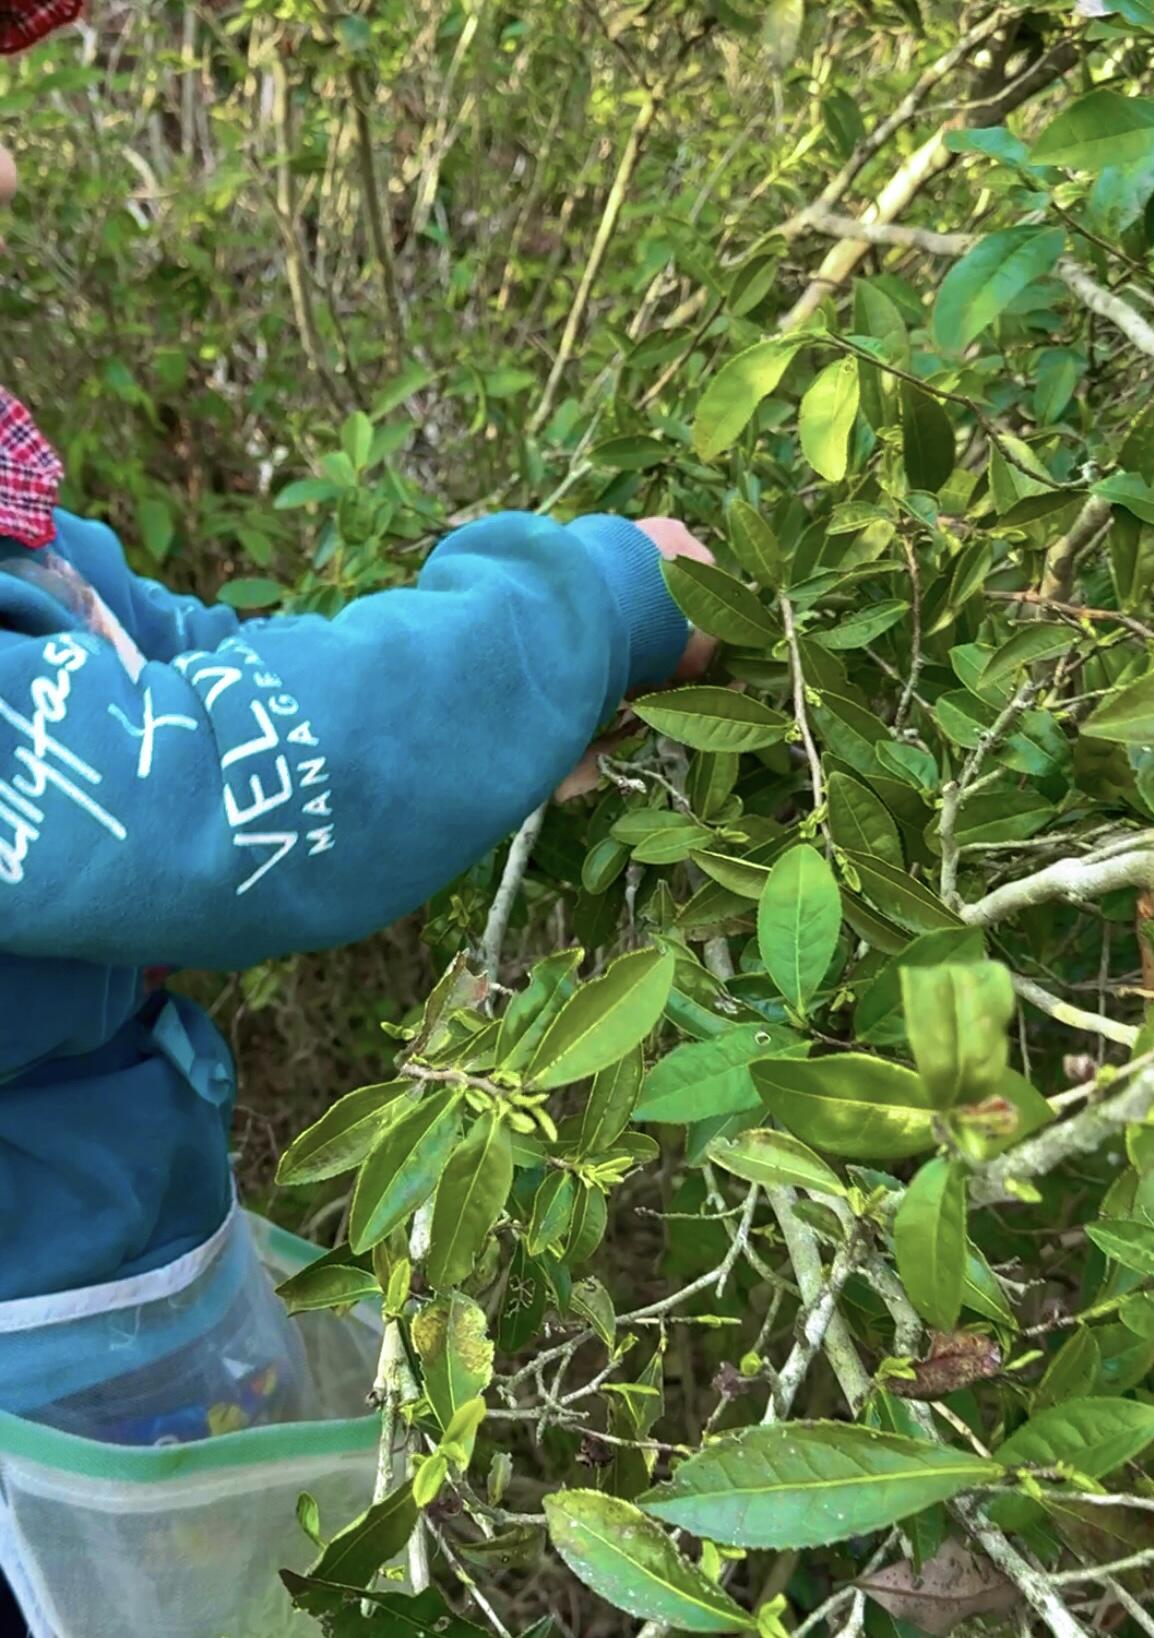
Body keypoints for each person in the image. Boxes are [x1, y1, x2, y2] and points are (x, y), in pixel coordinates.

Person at [0, 3, 713, 1631]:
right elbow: (191, 782)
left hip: (103, 1301)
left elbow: (167, 665)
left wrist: (496, 718)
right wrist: (592, 607)